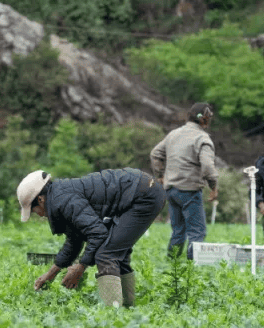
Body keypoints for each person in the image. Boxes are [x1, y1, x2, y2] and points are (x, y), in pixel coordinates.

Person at [18, 168, 166, 308]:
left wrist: (80, 267)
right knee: (116, 252)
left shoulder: (63, 201)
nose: (38, 214)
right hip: (142, 189)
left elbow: (98, 233)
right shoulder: (60, 197)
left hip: (144, 195)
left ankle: (113, 314)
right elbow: (74, 240)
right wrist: (51, 274)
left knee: (107, 255)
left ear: (41, 199)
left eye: (33, 210)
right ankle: (128, 308)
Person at [149, 102, 218, 259]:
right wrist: (214, 187)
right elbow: (207, 166)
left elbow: (155, 154)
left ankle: (170, 265)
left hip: (171, 190)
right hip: (189, 190)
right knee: (197, 231)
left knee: (178, 230)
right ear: (204, 119)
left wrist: (160, 176)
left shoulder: (174, 134)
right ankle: (191, 270)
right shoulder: (202, 138)